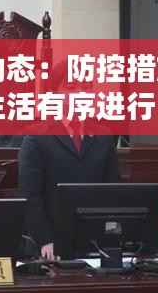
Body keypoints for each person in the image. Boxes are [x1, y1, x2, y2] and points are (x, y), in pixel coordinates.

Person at [18, 65, 120, 261]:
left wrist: (112, 237)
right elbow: (30, 196)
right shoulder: (37, 137)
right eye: (71, 87)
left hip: (95, 240)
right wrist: (45, 240)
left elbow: (112, 191)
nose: (80, 94)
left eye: (86, 87)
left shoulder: (103, 136)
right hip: (51, 242)